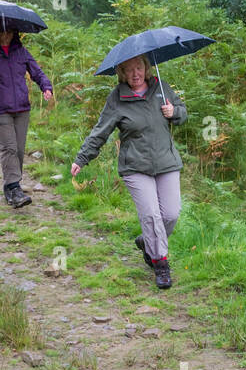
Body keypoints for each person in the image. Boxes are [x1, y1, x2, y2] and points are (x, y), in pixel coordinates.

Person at [71, 54, 187, 290]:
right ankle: (161, 264)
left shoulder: (161, 88)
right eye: (128, 70)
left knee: (171, 215)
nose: (135, 74)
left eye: (139, 68)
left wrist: (173, 112)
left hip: (166, 162)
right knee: (151, 216)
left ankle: (147, 241)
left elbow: (183, 115)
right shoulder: (117, 98)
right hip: (135, 166)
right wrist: (82, 158)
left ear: (146, 68)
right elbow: (100, 131)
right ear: (122, 73)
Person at [0, 21, 53, 208]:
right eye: (2, 32)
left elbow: (37, 72)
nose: (6, 35)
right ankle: (15, 188)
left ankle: (11, 188)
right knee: (9, 148)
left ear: (15, 33)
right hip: (0, 109)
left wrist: (46, 87)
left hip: (22, 109)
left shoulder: (21, 52)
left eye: (10, 32)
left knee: (19, 150)